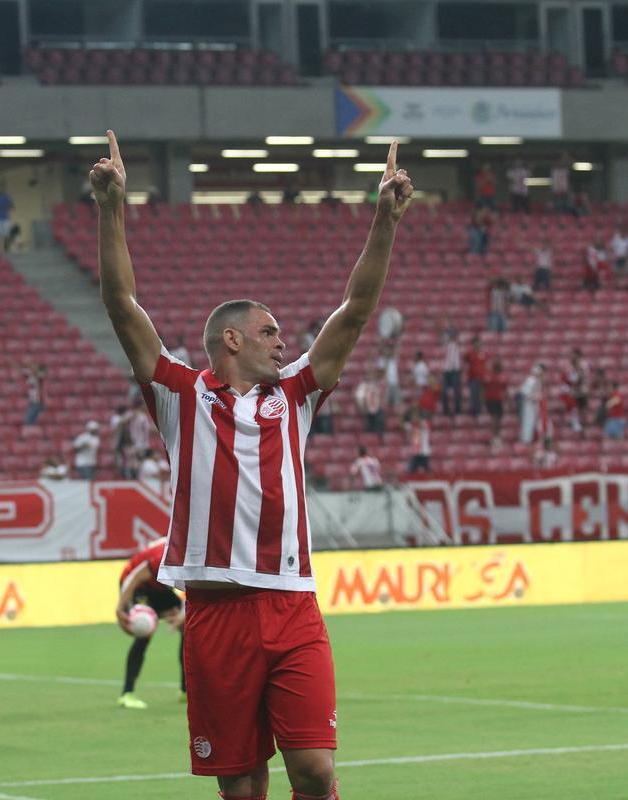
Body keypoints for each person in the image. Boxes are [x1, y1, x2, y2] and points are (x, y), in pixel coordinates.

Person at [90, 129, 413, 800]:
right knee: (239, 786)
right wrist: (111, 207)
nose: (283, 341)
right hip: (213, 615)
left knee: (316, 770)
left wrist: (384, 218)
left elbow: (356, 311)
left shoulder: (294, 396)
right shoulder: (180, 395)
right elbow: (123, 306)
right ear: (231, 339)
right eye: (269, 332)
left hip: (292, 608)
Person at [115, 536, 185, 709]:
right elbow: (135, 578)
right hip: (138, 584)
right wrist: (120, 608)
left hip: (160, 586)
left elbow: (193, 593)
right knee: (144, 628)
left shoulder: (194, 554)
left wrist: (183, 616)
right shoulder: (163, 555)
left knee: (188, 627)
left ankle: (185, 690)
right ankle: (127, 694)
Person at [353, 366, 386, 441]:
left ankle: (379, 440)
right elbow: (359, 398)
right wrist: (362, 408)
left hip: (376, 408)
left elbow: (379, 395)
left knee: (379, 426)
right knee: (370, 429)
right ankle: (370, 441)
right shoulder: (363, 386)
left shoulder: (375, 384)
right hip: (367, 409)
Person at [483, 360, 507, 447]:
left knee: (498, 419)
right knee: (494, 418)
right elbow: (483, 387)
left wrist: (507, 400)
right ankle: (494, 437)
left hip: (498, 400)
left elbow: (505, 389)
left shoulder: (502, 377)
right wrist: (483, 399)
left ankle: (497, 437)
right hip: (490, 400)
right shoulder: (489, 376)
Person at [440, 326, 462, 417]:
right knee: (444, 391)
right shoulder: (446, 344)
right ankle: (446, 409)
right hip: (447, 370)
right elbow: (442, 337)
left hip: (455, 370)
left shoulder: (457, 345)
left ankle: (457, 409)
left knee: (456, 391)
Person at [464, 336, 488, 419]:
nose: (478, 345)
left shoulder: (483, 354)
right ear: (474, 345)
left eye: (479, 344)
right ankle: (473, 411)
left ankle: (478, 410)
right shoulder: (470, 354)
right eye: (476, 344)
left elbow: (485, 365)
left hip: (481, 378)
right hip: (473, 378)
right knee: (473, 395)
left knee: (479, 395)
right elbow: (465, 360)